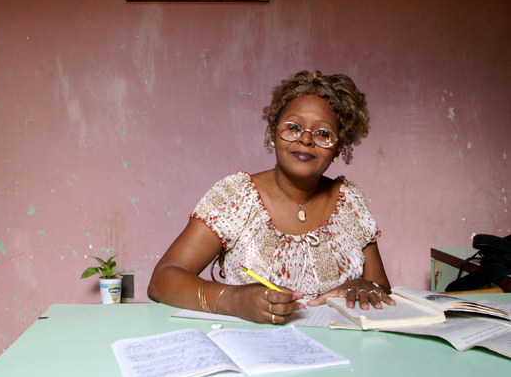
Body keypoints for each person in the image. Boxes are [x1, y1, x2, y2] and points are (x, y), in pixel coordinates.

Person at [147, 70, 395, 324]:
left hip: (343, 353)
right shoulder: (236, 196)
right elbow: (162, 281)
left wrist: (361, 285)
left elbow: (381, 288)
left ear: (338, 148)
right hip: (253, 351)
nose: (306, 139)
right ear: (274, 134)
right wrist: (235, 300)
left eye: (323, 133)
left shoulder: (350, 201)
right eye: (293, 128)